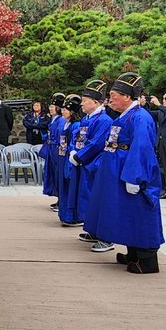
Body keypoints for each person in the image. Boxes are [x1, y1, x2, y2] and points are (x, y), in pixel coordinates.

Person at [84, 73, 164, 274]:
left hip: (131, 172)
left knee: (138, 212)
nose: (109, 99)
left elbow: (141, 148)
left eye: (113, 95)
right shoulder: (125, 115)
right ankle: (132, 253)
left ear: (127, 96)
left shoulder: (140, 117)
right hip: (117, 170)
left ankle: (147, 261)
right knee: (125, 212)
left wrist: (135, 177)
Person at [70, 80, 114, 251]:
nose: (82, 103)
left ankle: (106, 236)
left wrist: (79, 157)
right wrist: (74, 152)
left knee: (98, 200)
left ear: (95, 102)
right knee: (88, 199)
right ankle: (93, 230)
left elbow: (96, 144)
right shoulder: (87, 119)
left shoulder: (104, 120)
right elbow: (79, 140)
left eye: (85, 101)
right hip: (85, 162)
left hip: (95, 164)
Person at [57, 94, 83, 227]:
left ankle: (72, 216)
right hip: (62, 155)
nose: (63, 111)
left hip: (69, 157)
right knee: (64, 187)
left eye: (65, 109)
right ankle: (64, 214)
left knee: (71, 187)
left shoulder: (76, 125)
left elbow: (75, 142)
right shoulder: (65, 123)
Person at [39, 93, 65, 211]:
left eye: (53, 106)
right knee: (53, 173)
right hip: (51, 148)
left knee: (58, 173)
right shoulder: (54, 119)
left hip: (56, 148)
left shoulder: (61, 120)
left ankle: (61, 200)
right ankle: (58, 198)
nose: (50, 108)